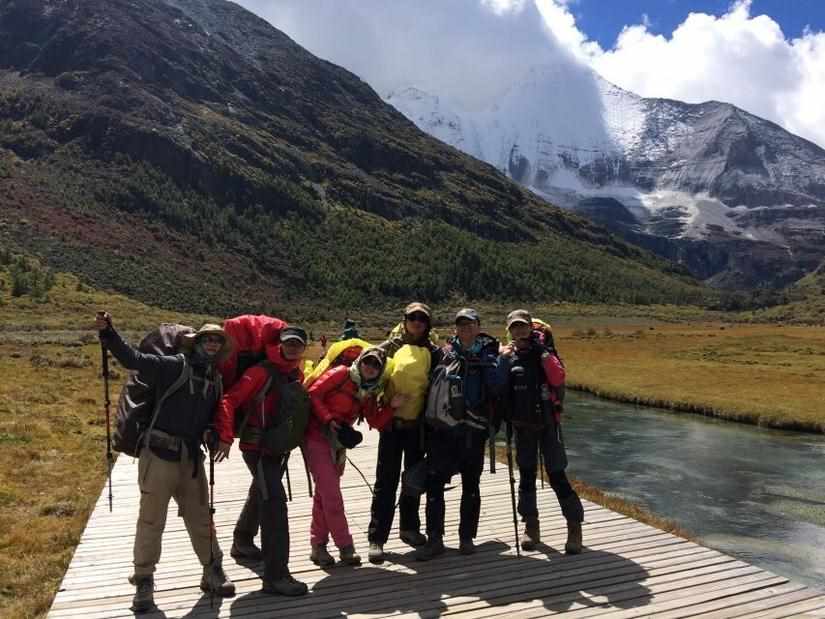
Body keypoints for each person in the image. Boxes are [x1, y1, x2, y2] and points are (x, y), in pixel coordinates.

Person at [94, 312, 235, 613]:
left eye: (216, 341)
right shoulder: (174, 367)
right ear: (196, 343)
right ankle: (144, 580)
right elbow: (134, 360)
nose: (211, 344)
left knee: (200, 516)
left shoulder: (214, 378)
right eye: (207, 339)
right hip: (158, 453)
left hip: (190, 458)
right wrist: (109, 333)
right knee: (151, 520)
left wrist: (211, 432)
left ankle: (213, 569)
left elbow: (208, 417)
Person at [213, 326, 310, 597]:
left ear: (303, 348)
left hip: (276, 448)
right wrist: (225, 436)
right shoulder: (261, 373)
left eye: (297, 345)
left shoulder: (294, 373)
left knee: (262, 490)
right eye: (288, 343)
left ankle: (242, 541)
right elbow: (229, 400)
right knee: (275, 503)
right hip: (256, 447)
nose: (292, 348)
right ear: (278, 344)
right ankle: (276, 576)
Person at [416, 308, 502, 561]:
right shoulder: (443, 354)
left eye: (470, 324)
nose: (465, 328)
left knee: (471, 485)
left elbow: (497, 387)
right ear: (455, 328)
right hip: (444, 431)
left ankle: (467, 538)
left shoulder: (490, 355)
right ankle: (435, 539)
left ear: (478, 326)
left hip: (473, 432)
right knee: (434, 484)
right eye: (461, 324)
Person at [497, 309, 584, 554]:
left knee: (557, 475)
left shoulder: (544, 352)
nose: (519, 331)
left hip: (548, 425)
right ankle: (531, 526)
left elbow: (558, 378)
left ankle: (574, 527)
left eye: (522, 326)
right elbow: (498, 385)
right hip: (522, 427)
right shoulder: (508, 355)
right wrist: (503, 359)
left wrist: (542, 352)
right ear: (509, 330)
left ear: (530, 327)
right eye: (514, 327)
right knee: (526, 476)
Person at [305, 347, 397, 567]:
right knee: (332, 496)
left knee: (324, 495)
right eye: (368, 361)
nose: (370, 367)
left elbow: (374, 421)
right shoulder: (341, 373)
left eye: (376, 365)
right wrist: (329, 419)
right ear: (360, 361)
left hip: (337, 443)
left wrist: (391, 408)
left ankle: (318, 546)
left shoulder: (369, 391)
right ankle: (345, 546)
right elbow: (313, 394)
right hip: (317, 436)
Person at [367, 302, 438, 564]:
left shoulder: (434, 352)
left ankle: (409, 528)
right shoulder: (388, 348)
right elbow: (368, 376)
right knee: (385, 481)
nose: (417, 322)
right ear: (405, 320)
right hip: (392, 425)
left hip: (418, 428)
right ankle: (377, 538)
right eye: (412, 317)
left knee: (413, 480)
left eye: (422, 318)